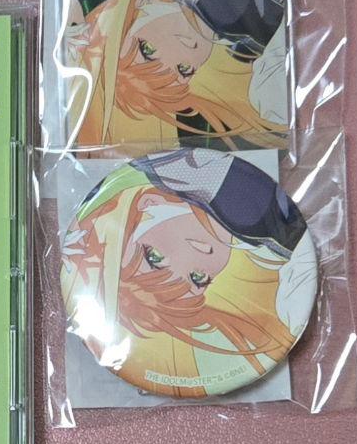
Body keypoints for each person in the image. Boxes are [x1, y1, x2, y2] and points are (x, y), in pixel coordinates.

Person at [60, 149, 315, 398]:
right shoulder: (272, 245)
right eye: (198, 278)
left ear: (148, 205)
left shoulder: (184, 173)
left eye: (154, 258)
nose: (201, 256)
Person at [56, 0, 288, 151]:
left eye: (147, 49)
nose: (181, 49)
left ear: (143, 2)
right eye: (183, 69)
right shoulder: (248, 50)